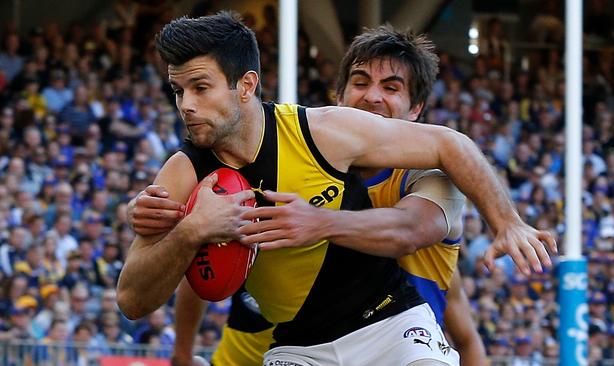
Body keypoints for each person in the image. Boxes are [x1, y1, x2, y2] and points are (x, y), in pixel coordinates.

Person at [117, 12, 554, 366]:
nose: (186, 105)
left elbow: (439, 169)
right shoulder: (183, 173)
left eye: (200, 87)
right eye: (178, 90)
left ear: (246, 85)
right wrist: (191, 231)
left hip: (391, 326)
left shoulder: (325, 133)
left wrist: (508, 223)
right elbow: (132, 301)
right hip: (297, 347)